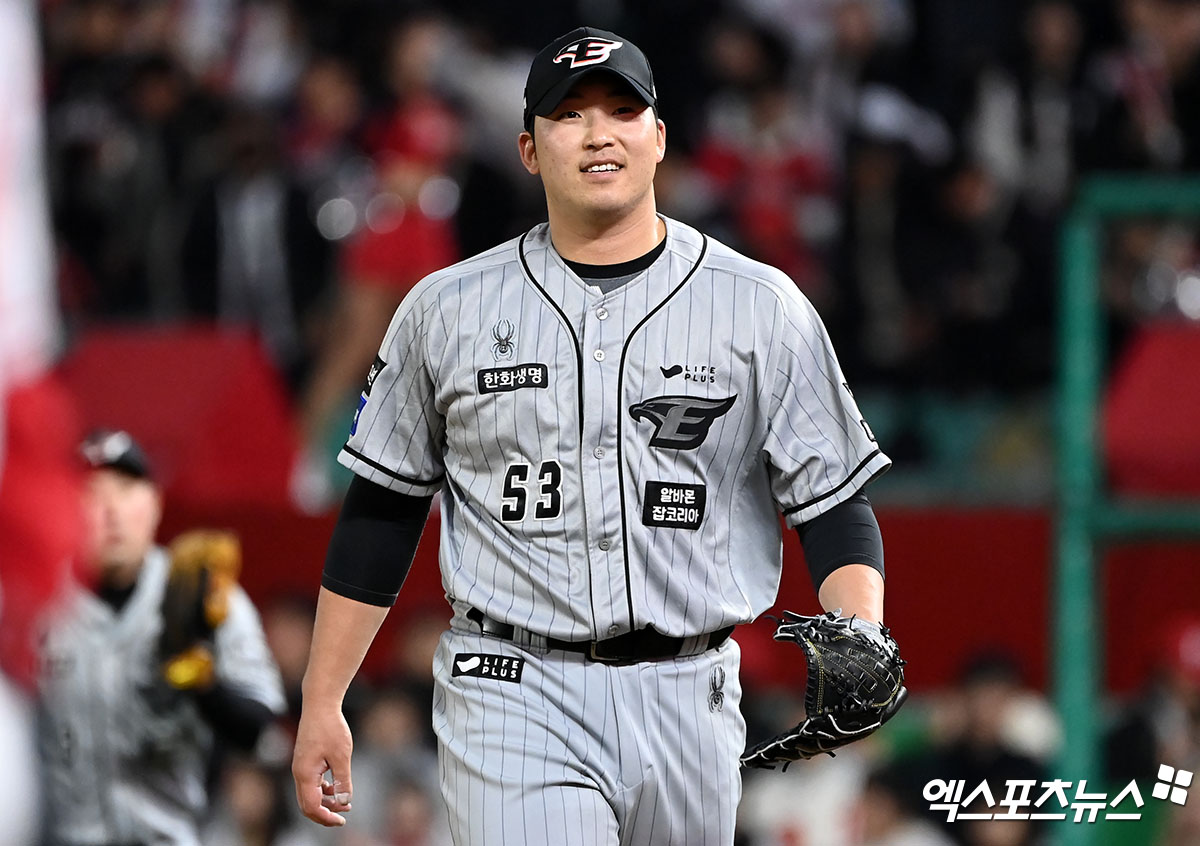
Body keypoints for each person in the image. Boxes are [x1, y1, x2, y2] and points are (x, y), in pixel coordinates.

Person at [292, 27, 896, 846]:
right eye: (568, 115)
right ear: (529, 150)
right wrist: (324, 700)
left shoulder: (762, 306)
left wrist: (858, 629)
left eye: (621, 110)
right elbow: (381, 511)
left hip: (691, 693)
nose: (598, 132)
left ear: (659, 137)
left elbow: (832, 504)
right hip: (512, 684)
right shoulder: (447, 308)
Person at [38, 429, 287, 846]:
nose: (111, 509)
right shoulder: (35, 605)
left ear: (155, 503)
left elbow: (257, 728)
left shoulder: (197, 593)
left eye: (126, 489)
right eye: (92, 494)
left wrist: (200, 674)